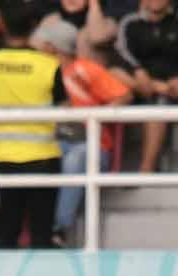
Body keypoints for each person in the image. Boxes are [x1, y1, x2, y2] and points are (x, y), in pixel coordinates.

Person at [36, 17, 131, 247]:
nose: (38, 47)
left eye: (42, 43)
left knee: (76, 156)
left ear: (51, 47)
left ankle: (57, 229)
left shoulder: (85, 69)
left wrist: (95, 116)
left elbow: (123, 95)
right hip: (51, 141)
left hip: (92, 145)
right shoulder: (38, 72)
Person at [0, 4, 67, 248]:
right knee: (41, 235)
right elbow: (64, 109)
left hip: (5, 158)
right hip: (44, 157)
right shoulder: (48, 64)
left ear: (4, 25)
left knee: (7, 233)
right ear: (34, 27)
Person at [112, 0, 178, 174]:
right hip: (137, 87)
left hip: (173, 91)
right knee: (114, 74)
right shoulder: (130, 23)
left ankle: (146, 170)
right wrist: (137, 70)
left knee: (158, 106)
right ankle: (159, 87)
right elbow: (121, 53)